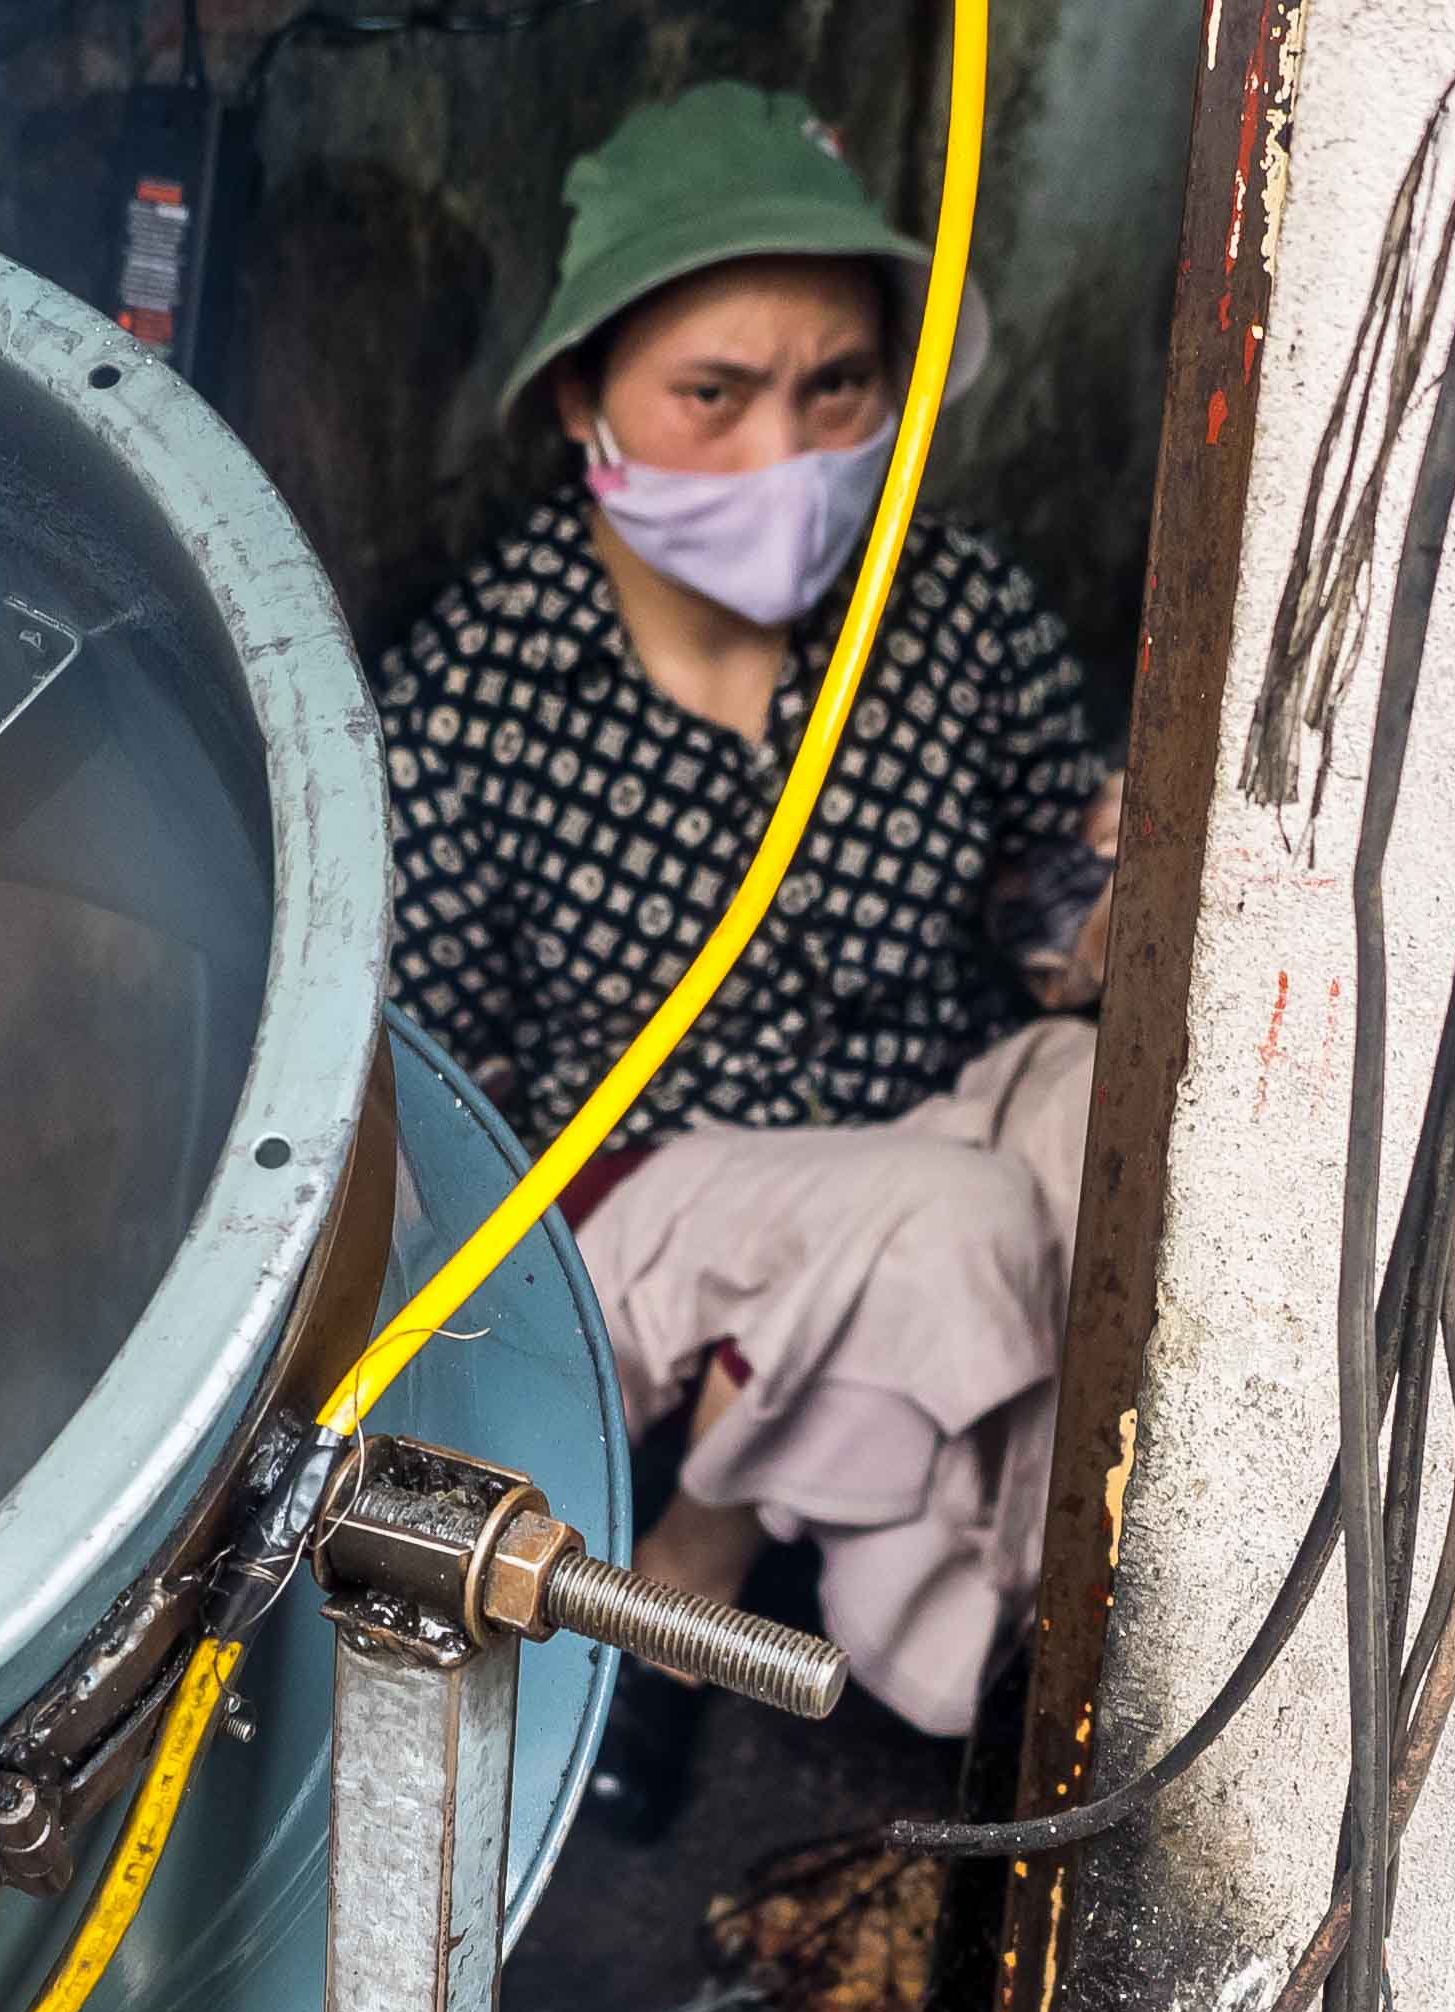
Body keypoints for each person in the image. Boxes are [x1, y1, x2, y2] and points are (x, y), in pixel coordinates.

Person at [378, 81, 1121, 1835]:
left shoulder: (958, 614)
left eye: (836, 389)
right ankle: (717, 1586)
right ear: (586, 399)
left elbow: (1047, 926)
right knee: (951, 1220)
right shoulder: (475, 696)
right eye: (712, 394)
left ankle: (974, 1612)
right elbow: (432, 1104)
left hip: (922, 1108)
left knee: (1105, 1119)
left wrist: (1121, 882)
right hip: (638, 1197)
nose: (781, 450)